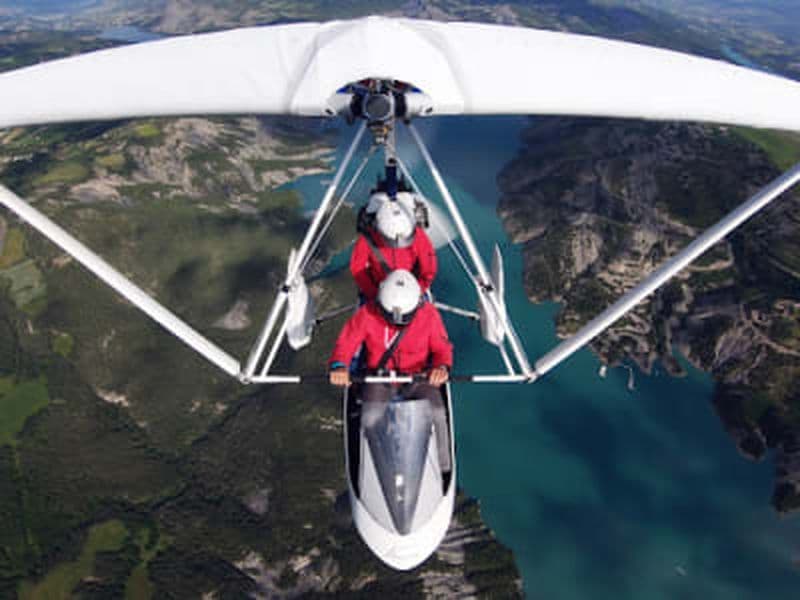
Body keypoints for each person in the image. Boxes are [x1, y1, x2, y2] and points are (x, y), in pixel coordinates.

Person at [329, 269, 452, 472]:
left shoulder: (429, 315)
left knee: (437, 412)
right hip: (379, 378)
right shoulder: (367, 314)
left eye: (405, 318)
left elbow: (442, 349)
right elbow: (346, 344)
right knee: (369, 418)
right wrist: (339, 366)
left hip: (417, 377)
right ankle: (371, 470)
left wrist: (441, 367)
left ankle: (443, 468)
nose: (396, 323)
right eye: (389, 316)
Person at [350, 195, 437, 301]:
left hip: (411, 288)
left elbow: (429, 269)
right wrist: (373, 292)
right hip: (379, 288)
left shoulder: (419, 236)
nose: (397, 245)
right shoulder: (367, 238)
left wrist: (418, 290)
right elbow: (357, 268)